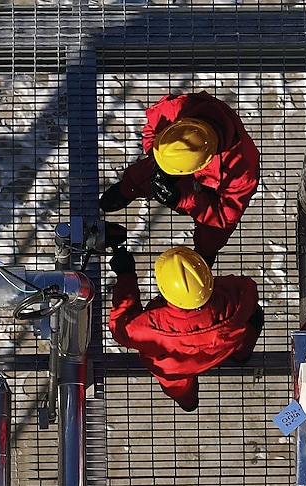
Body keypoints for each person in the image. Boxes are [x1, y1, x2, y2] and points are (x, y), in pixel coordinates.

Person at [98, 91, 260, 266]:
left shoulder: (242, 170)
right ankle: (127, 189)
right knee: (148, 172)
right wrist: (155, 154)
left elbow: (225, 214)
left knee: (215, 230)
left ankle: (205, 252)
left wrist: (183, 199)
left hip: (211, 189)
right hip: (175, 160)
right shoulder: (176, 108)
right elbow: (152, 127)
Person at [108, 245, 264, 412]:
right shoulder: (233, 296)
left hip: (175, 368)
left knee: (178, 387)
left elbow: (120, 327)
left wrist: (126, 275)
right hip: (223, 348)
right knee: (250, 326)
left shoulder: (149, 326)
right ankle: (241, 355)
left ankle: (189, 403)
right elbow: (249, 288)